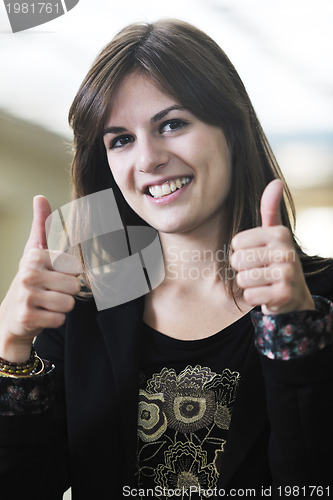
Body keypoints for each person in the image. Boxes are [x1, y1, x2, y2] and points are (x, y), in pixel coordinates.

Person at [0, 19, 332, 500]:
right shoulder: (78, 312)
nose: (148, 159)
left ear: (232, 131)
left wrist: (295, 333)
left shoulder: (318, 304)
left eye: (172, 124)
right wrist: (10, 346)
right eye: (120, 140)